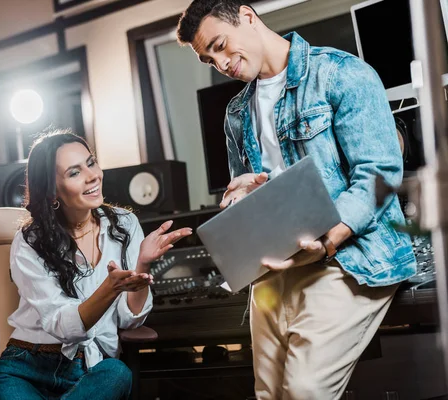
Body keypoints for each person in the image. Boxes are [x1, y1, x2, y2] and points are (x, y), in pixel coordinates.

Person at [177, 1, 416, 399]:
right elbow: (246, 188)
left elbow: (379, 175)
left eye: (220, 45)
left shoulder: (342, 73)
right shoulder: (236, 113)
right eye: (208, 59)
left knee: (305, 391)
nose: (220, 63)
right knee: (268, 394)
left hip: (348, 259)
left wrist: (330, 239)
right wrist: (240, 198)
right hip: (272, 270)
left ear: (248, 17)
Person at [0, 129, 192, 400]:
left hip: (91, 370)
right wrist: (110, 288)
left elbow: (130, 321)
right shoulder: (29, 241)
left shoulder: (125, 224)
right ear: (52, 191)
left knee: (117, 373)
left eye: (91, 162)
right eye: (74, 172)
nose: (93, 175)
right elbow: (62, 325)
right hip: (27, 365)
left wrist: (143, 263)